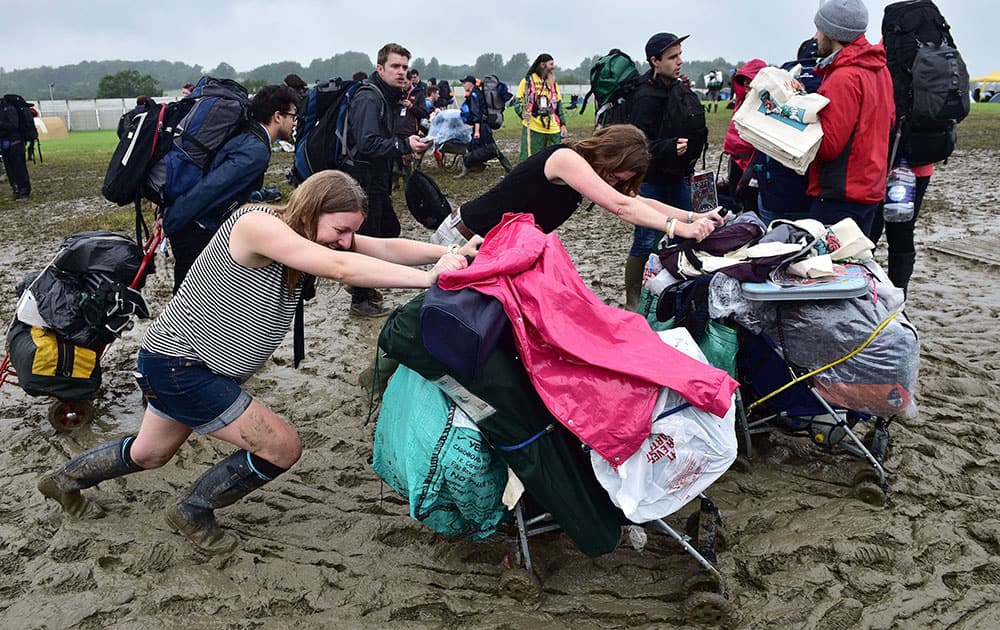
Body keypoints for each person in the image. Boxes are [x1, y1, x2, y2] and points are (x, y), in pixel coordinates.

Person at [36, 170, 481, 555]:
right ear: (312, 209)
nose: (346, 240)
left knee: (149, 453)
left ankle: (63, 481)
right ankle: (191, 510)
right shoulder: (256, 225)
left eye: (350, 232)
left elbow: (380, 249)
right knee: (282, 447)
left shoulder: (306, 230)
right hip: (180, 367)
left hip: (181, 366)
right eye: (341, 229)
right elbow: (340, 266)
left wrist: (448, 255)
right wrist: (428, 280)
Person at [432, 124, 721, 255]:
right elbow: (622, 207)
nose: (615, 183)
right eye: (614, 175)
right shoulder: (565, 159)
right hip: (462, 239)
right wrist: (676, 229)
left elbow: (637, 201)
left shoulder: (593, 172)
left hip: (495, 248)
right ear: (608, 154)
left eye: (622, 181)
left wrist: (694, 217)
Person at [164, 84, 300, 293]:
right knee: (190, 300)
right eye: (293, 115)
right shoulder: (256, 150)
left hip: (193, 223)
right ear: (277, 116)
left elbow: (229, 184)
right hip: (196, 229)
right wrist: (173, 219)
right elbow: (213, 187)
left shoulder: (250, 136)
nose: (294, 122)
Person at [340, 43, 429, 317]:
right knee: (369, 237)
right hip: (361, 181)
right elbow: (367, 144)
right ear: (380, 68)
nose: (401, 72)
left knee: (388, 229)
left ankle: (359, 283)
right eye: (395, 66)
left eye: (404, 67)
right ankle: (360, 299)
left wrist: (403, 144)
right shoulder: (370, 98)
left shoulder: (386, 96)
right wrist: (403, 146)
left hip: (376, 179)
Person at [623, 32, 708, 311]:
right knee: (646, 239)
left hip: (677, 176)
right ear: (655, 61)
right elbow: (636, 144)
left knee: (688, 232)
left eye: (680, 55)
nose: (679, 61)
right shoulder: (643, 96)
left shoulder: (680, 89)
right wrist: (668, 147)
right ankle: (634, 301)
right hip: (649, 180)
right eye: (673, 57)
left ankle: (680, 290)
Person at [806, 0, 894, 235]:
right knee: (855, 265)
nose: (816, 37)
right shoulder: (879, 70)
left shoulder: (843, 77)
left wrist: (799, 121)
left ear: (833, 32)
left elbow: (828, 146)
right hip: (870, 187)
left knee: (828, 268)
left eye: (819, 29)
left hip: (840, 193)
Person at [720, 59, 767, 215]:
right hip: (735, 160)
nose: (746, 83)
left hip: (752, 162)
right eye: (743, 79)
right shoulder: (741, 100)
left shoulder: (765, 106)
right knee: (735, 201)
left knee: (750, 203)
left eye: (750, 79)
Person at [514, 54, 568, 160]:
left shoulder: (553, 82)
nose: (554, 67)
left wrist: (563, 124)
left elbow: (559, 104)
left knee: (555, 158)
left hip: (552, 127)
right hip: (533, 126)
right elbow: (518, 102)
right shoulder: (527, 81)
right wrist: (523, 114)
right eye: (551, 64)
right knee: (530, 159)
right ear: (542, 65)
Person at [457, 75, 511, 175]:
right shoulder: (477, 92)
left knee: (491, 148)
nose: (463, 85)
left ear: (471, 83)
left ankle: (508, 168)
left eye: (465, 82)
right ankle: (468, 169)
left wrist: (477, 131)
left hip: (482, 126)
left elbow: (477, 113)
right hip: (483, 125)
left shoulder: (474, 94)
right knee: (473, 146)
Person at [0, 94, 36, 200]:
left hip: (15, 142)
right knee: (10, 169)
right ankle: (16, 190)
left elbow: (14, 125)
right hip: (4, 144)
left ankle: (24, 191)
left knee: (19, 169)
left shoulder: (9, 109)